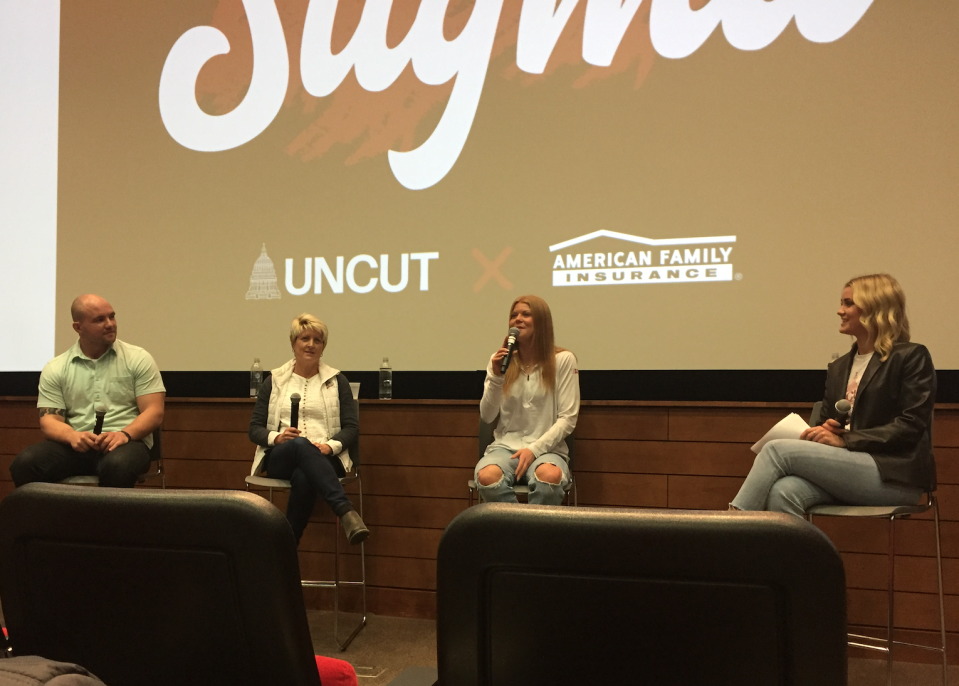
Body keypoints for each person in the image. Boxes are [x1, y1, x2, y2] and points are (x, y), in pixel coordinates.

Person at [731, 274, 935, 515]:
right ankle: (794, 554)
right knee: (784, 491)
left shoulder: (910, 357)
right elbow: (827, 422)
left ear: (874, 308)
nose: (840, 311)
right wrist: (825, 431)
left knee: (776, 450)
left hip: (894, 475)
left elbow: (910, 426)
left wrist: (846, 439)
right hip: (845, 468)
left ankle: (730, 534)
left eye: (848, 303)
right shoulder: (838, 368)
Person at [10, 294, 166, 488]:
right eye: (99, 320)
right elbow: (49, 420)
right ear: (78, 327)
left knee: (118, 466)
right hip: (76, 445)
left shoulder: (138, 359)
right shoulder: (56, 367)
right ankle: (49, 518)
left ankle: (105, 519)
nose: (110, 324)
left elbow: (154, 412)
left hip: (126, 443)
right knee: (25, 464)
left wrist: (124, 434)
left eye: (112, 316)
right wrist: (72, 436)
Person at [248, 313, 369, 545]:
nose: (311, 345)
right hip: (281, 456)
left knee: (304, 476)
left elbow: (351, 428)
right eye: (305, 338)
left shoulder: (337, 381)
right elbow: (254, 429)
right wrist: (278, 437)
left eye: (318, 340)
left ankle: (286, 548)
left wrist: (328, 446)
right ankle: (345, 512)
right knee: (300, 445)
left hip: (326, 457)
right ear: (293, 344)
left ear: (323, 347)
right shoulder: (275, 380)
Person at [475, 295, 580, 505]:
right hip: (505, 448)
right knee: (487, 477)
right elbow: (487, 415)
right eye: (513, 315)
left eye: (526, 314)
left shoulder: (563, 360)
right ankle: (521, 534)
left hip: (547, 450)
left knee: (549, 479)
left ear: (541, 321)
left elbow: (568, 418)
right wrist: (496, 377)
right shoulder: (500, 361)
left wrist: (534, 450)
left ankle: (528, 536)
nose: (518, 319)